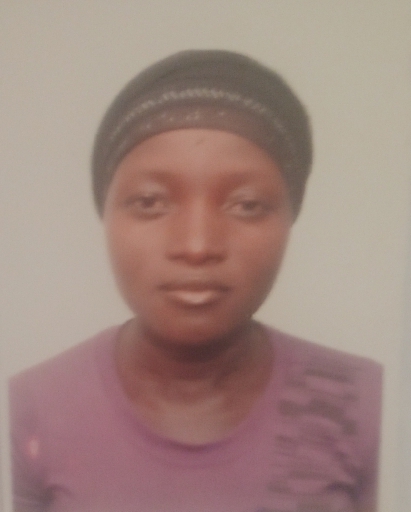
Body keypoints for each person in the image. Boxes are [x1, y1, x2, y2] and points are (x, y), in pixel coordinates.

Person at [9, 50, 382, 512]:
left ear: (290, 217)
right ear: (105, 213)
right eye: (150, 202)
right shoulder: (28, 410)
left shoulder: (370, 406)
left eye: (246, 205)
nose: (197, 245)